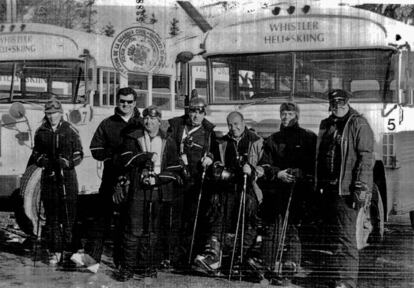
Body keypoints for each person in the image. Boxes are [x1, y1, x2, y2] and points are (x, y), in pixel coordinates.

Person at [70, 87, 141, 273]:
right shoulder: (107, 124)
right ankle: (92, 260)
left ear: (135, 103)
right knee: (101, 218)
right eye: (122, 101)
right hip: (111, 177)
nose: (125, 104)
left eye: (129, 101)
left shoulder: (141, 123)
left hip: (134, 179)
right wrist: (113, 156)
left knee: (126, 222)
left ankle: (123, 263)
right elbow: (95, 149)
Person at [114, 105, 182, 282]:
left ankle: (147, 267)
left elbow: (175, 167)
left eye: (153, 119)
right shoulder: (133, 137)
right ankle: (127, 268)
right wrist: (145, 156)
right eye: (146, 118)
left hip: (157, 191)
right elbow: (125, 160)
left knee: (151, 233)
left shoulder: (169, 140)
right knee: (133, 231)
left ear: (160, 121)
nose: (149, 121)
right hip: (137, 190)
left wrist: (158, 179)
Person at [194, 111, 263, 277]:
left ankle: (242, 257)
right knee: (217, 212)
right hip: (227, 187)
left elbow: (265, 164)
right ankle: (213, 257)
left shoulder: (256, 140)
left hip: (249, 187)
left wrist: (253, 169)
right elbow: (214, 156)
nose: (234, 128)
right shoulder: (223, 142)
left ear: (243, 122)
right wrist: (211, 160)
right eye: (230, 125)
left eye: (237, 124)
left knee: (248, 219)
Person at [316, 89, 374, 288]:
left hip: (347, 190)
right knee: (334, 237)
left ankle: (347, 283)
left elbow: (366, 157)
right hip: (329, 189)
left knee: (347, 238)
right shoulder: (327, 124)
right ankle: (337, 278)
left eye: (341, 103)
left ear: (348, 103)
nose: (337, 107)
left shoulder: (358, 123)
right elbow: (320, 156)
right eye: (334, 103)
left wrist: (362, 186)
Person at [258, 102, 317, 275]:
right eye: (283, 113)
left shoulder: (308, 138)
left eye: (290, 114)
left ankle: (291, 261)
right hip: (276, 190)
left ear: (297, 116)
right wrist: (278, 174)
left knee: (293, 225)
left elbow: (313, 165)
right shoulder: (272, 139)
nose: (286, 117)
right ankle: (267, 264)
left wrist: (300, 173)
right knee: (272, 226)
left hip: (299, 190)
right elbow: (265, 166)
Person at [28, 96, 83, 266]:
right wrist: (41, 160)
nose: (52, 116)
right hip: (49, 178)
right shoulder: (41, 132)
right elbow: (35, 153)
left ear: (61, 113)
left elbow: (79, 153)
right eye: (49, 113)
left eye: (55, 113)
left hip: (67, 179)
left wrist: (69, 162)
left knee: (69, 217)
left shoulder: (70, 130)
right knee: (52, 218)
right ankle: (54, 251)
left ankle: (70, 251)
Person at [167, 96, 216, 267]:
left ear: (204, 113)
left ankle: (188, 257)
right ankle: (172, 256)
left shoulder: (208, 132)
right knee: (175, 219)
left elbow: (214, 152)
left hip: (196, 181)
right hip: (177, 178)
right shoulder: (176, 125)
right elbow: (168, 148)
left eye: (199, 112)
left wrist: (209, 157)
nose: (195, 115)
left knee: (192, 219)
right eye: (192, 111)